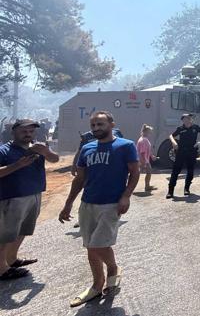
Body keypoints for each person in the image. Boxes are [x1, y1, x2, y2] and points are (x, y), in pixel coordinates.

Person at [58, 111, 139, 307]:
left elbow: (135, 172)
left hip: (111, 204)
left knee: (97, 245)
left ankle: (112, 269)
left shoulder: (125, 146)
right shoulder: (87, 148)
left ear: (112, 124)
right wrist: (68, 203)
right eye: (93, 125)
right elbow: (80, 179)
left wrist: (126, 196)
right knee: (90, 246)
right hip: (88, 204)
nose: (96, 128)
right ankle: (97, 285)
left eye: (100, 124)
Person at [0, 119, 59, 280]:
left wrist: (46, 152)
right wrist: (18, 165)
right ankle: (2, 268)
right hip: (12, 197)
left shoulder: (38, 148)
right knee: (5, 234)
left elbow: (55, 159)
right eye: (23, 131)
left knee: (23, 230)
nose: (28, 134)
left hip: (34, 194)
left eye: (31, 131)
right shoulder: (4, 150)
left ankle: (11, 259)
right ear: (14, 133)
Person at [70, 127, 124, 229]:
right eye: (94, 124)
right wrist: (74, 165)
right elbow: (80, 150)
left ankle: (109, 216)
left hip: (108, 169)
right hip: (90, 170)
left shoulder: (116, 133)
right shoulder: (87, 136)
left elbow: (121, 149)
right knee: (87, 192)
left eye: (101, 124)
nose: (97, 126)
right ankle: (82, 218)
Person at [167, 113, 200, 199]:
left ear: (191, 119)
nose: (187, 120)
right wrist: (174, 142)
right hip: (181, 152)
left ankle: (186, 189)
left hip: (192, 151)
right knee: (175, 171)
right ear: (182, 120)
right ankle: (170, 191)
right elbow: (171, 136)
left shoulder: (195, 127)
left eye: (188, 118)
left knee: (190, 171)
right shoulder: (180, 129)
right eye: (185, 119)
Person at [136, 124, 158, 192]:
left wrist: (152, 156)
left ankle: (147, 186)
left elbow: (147, 150)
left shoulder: (144, 139)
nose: (150, 133)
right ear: (145, 132)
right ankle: (147, 186)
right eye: (149, 132)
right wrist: (144, 162)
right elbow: (142, 152)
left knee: (138, 173)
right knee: (148, 172)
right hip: (144, 160)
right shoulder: (144, 140)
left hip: (143, 159)